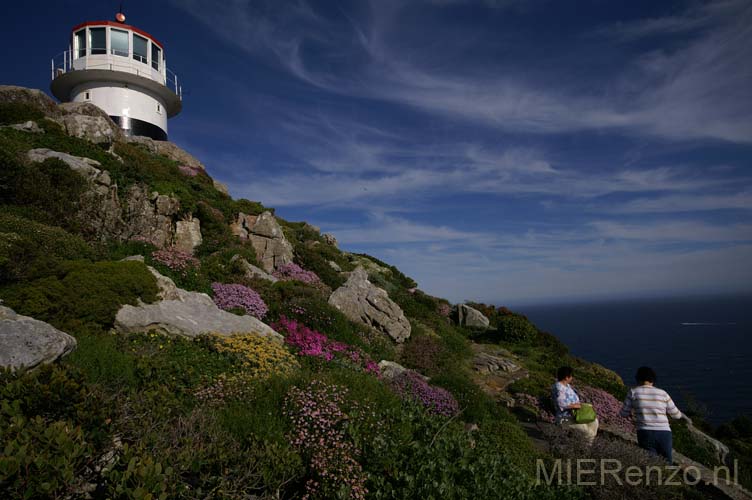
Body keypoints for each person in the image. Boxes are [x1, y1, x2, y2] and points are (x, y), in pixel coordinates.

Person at [619, 366, 691, 464]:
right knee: (667, 463)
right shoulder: (663, 393)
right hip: (664, 433)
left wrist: (633, 414)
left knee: (650, 464)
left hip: (644, 432)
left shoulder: (633, 392)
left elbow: (623, 413)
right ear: (653, 380)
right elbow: (676, 415)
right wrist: (685, 417)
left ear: (638, 379)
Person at [552, 366, 599, 445]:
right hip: (565, 418)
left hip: (575, 415)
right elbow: (561, 404)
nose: (572, 378)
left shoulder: (567, 386)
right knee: (588, 432)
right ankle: (585, 447)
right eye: (571, 376)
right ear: (567, 377)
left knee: (594, 421)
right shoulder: (559, 388)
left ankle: (588, 443)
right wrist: (576, 406)